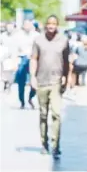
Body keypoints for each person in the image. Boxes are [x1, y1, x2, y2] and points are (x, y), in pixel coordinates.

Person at [30, 15, 69, 159]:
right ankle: (44, 144)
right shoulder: (38, 40)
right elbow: (33, 59)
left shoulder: (63, 41)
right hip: (41, 81)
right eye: (49, 23)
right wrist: (32, 77)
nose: (51, 26)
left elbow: (66, 61)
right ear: (45, 25)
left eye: (54, 23)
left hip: (56, 81)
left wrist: (66, 76)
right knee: (43, 114)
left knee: (57, 114)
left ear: (57, 25)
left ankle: (55, 145)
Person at [14, 20, 39, 109]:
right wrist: (15, 61)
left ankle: (30, 97)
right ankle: (22, 101)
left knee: (35, 80)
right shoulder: (18, 36)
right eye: (26, 25)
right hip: (22, 58)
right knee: (21, 82)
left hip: (33, 59)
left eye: (29, 25)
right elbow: (15, 49)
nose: (27, 27)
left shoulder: (36, 35)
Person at [0, 23, 17, 91]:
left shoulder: (17, 36)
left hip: (14, 56)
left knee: (12, 73)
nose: (9, 28)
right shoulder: (3, 35)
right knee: (4, 72)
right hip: (5, 57)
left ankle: (9, 85)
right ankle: (5, 83)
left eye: (11, 27)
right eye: (8, 27)